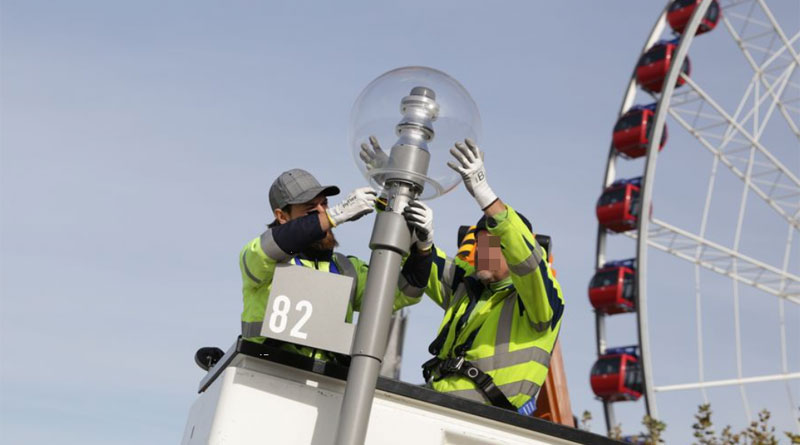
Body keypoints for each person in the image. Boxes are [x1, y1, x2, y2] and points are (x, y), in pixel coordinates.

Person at [420, 139, 565, 414]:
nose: (479, 253)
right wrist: (418, 236)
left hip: (489, 422)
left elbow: (529, 262)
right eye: (478, 244)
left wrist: (485, 195)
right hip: (438, 406)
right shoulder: (467, 285)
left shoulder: (537, 301)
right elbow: (419, 263)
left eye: (491, 245)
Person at [238, 168, 434, 362]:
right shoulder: (261, 260)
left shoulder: (346, 269)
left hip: (325, 383)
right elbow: (274, 243)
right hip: (261, 372)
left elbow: (403, 293)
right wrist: (336, 214)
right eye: (311, 209)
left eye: (324, 204)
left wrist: (422, 247)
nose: (322, 212)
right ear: (282, 216)